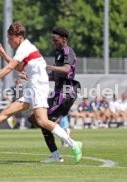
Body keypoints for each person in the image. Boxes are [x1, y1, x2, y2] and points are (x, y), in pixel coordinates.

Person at [0, 22, 82, 164]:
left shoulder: (25, 47)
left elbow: (9, 68)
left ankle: (73, 144)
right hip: (33, 86)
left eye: (10, 38)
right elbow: (18, 67)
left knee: (42, 120)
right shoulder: (25, 49)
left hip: (39, 87)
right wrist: (5, 55)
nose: (8, 41)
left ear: (18, 37)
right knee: (6, 113)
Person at [28, 26, 81, 163]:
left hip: (66, 91)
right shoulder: (59, 54)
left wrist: (50, 67)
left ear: (63, 39)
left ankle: (63, 142)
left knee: (42, 119)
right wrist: (29, 76)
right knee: (35, 118)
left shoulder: (67, 51)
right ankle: (56, 151)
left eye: (56, 40)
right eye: (52, 40)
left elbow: (66, 69)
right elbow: (53, 75)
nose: (54, 43)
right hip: (57, 92)